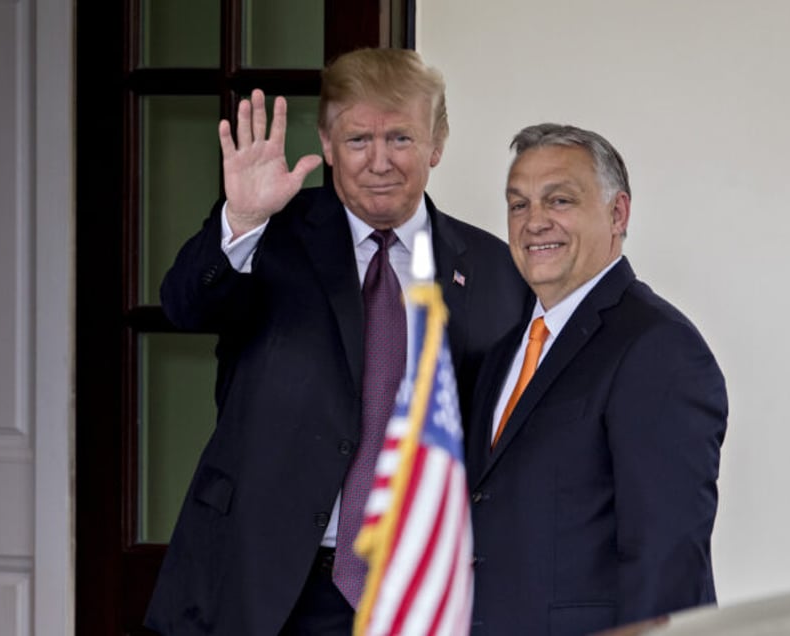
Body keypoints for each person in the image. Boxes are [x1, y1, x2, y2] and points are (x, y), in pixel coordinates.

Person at [144, 48, 531, 636]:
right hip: (271, 588)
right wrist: (241, 219)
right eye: (358, 140)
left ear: (436, 145)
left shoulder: (496, 272)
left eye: (400, 138)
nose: (380, 162)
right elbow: (186, 306)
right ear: (326, 143)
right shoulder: (269, 236)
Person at [465, 123, 728, 635]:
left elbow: (667, 559)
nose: (533, 222)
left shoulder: (658, 348)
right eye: (518, 205)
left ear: (618, 213)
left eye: (558, 200)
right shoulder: (504, 353)